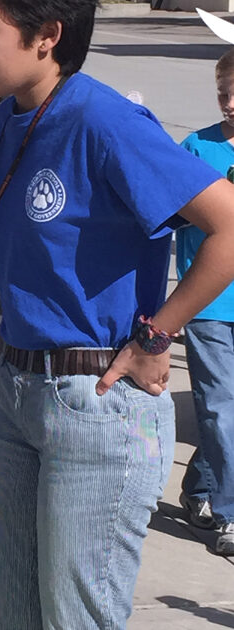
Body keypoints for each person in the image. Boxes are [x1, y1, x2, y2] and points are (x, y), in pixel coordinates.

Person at [0, 0, 234, 627]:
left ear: (46, 37)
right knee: (12, 613)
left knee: (75, 619)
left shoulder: (106, 120)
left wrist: (156, 336)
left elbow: (230, 227)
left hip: (98, 405)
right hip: (21, 396)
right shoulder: (6, 121)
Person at [176, 48, 234, 557]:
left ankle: (199, 487)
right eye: (222, 93)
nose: (230, 103)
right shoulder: (196, 148)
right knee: (219, 408)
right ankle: (231, 514)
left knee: (230, 415)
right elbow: (167, 215)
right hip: (211, 302)